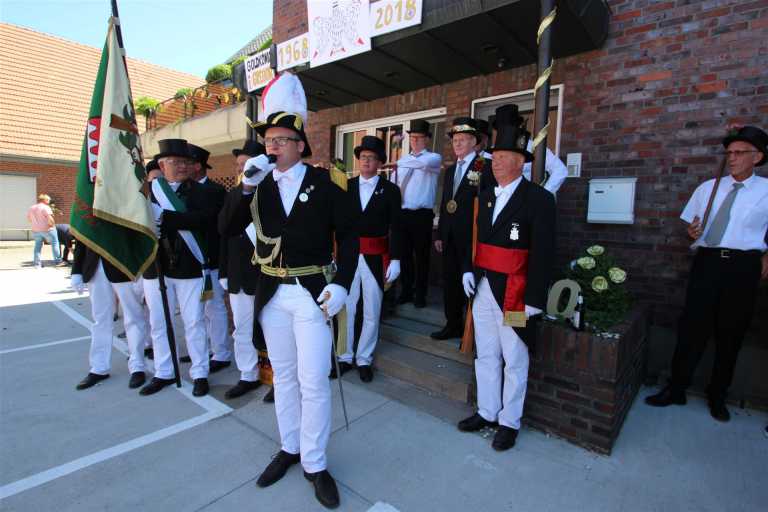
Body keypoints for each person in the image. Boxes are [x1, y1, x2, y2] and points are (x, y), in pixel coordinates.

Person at [250, 106, 357, 509]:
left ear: (300, 145)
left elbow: (349, 237)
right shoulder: (258, 183)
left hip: (311, 291)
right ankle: (289, 447)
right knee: (284, 378)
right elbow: (226, 227)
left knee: (313, 381)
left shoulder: (326, 183)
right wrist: (244, 187)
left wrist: (342, 283)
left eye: (280, 140)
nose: (272, 147)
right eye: (268, 141)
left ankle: (315, 462)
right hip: (272, 293)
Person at [645, 125, 768, 422]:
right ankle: (677, 388)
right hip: (708, 262)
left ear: (757, 157)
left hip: (743, 267)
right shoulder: (708, 188)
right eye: (729, 153)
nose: (732, 158)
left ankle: (718, 396)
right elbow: (692, 226)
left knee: (731, 333)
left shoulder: (766, 191)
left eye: (739, 153)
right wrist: (692, 232)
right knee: (692, 328)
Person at [457, 115, 556, 451]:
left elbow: (544, 253)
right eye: (494, 157)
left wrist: (535, 299)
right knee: (486, 354)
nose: (495, 162)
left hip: (516, 293)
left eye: (501, 157)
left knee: (514, 358)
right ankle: (487, 411)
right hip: (484, 287)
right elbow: (477, 239)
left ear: (519, 161)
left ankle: (509, 422)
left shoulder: (539, 199)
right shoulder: (486, 196)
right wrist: (469, 269)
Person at [139, 139, 217, 397]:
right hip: (156, 266)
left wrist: (165, 217)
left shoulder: (202, 192)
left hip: (189, 266)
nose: (182, 166)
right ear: (162, 165)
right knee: (159, 321)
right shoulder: (146, 192)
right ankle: (164, 371)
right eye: (175, 162)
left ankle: (200, 372)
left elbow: (204, 220)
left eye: (186, 162)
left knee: (194, 322)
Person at [338, 135, 402, 382]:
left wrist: (396, 258)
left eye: (372, 158)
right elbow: (336, 224)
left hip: (376, 257)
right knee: (347, 308)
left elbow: (397, 227)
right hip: (348, 256)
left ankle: (364, 358)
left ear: (379, 162)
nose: (366, 161)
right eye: (363, 157)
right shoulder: (346, 186)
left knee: (372, 310)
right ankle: (344, 356)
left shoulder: (391, 190)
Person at [432, 117, 493, 340]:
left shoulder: (484, 166)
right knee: (450, 282)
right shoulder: (450, 171)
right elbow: (445, 203)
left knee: (471, 282)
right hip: (449, 236)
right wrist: (440, 233)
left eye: (463, 139)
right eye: (455, 140)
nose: (457, 144)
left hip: (472, 236)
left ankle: (472, 330)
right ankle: (452, 324)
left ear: (474, 142)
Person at [217, 139, 268, 400]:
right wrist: (223, 271)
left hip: (267, 275)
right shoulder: (235, 194)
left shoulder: (273, 192)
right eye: (238, 165)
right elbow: (224, 234)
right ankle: (248, 375)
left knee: (272, 330)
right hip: (238, 274)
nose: (240, 169)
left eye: (245, 164)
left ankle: (278, 378)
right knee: (242, 329)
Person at [71, 240, 151, 390]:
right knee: (100, 320)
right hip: (95, 266)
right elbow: (81, 236)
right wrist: (76, 270)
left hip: (124, 265)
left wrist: (141, 270)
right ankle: (99, 367)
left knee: (133, 317)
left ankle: (137, 366)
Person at [187, 143, 231, 373]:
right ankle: (202, 349)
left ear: (198, 166)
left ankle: (221, 353)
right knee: (197, 311)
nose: (183, 167)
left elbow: (220, 229)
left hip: (212, 259)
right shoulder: (185, 190)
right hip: (191, 263)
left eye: (187, 163)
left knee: (214, 308)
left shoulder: (216, 191)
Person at [389, 119, 442, 308]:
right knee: (404, 256)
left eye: (419, 137)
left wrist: (397, 160)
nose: (415, 141)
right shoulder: (403, 161)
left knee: (421, 257)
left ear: (427, 139)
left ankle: (420, 294)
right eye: (412, 137)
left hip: (422, 215)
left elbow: (422, 163)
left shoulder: (433, 158)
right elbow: (394, 184)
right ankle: (406, 291)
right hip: (403, 214)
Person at [489, 104, 568, 195]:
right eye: (503, 129)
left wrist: (542, 194)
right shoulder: (491, 152)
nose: (507, 131)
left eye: (510, 127)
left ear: (518, 126)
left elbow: (560, 170)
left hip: (524, 197)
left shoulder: (533, 146)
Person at [27, 194, 62, 267]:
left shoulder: (31, 208)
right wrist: (53, 226)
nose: (49, 201)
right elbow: (50, 219)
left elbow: (29, 219)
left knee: (37, 246)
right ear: (45, 200)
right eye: (48, 200)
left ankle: (37, 264)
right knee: (55, 243)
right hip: (47, 229)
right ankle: (58, 261)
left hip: (36, 230)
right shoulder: (46, 207)